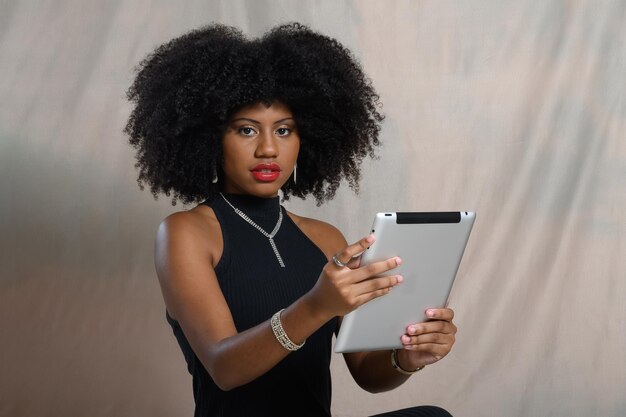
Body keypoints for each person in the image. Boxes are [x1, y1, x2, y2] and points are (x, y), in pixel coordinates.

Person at [125, 23, 457, 417]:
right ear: (210, 138)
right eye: (246, 130)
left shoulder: (325, 239)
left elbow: (368, 373)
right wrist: (315, 307)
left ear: (307, 139)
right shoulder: (186, 233)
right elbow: (224, 368)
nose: (268, 148)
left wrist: (407, 357)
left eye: (284, 130)